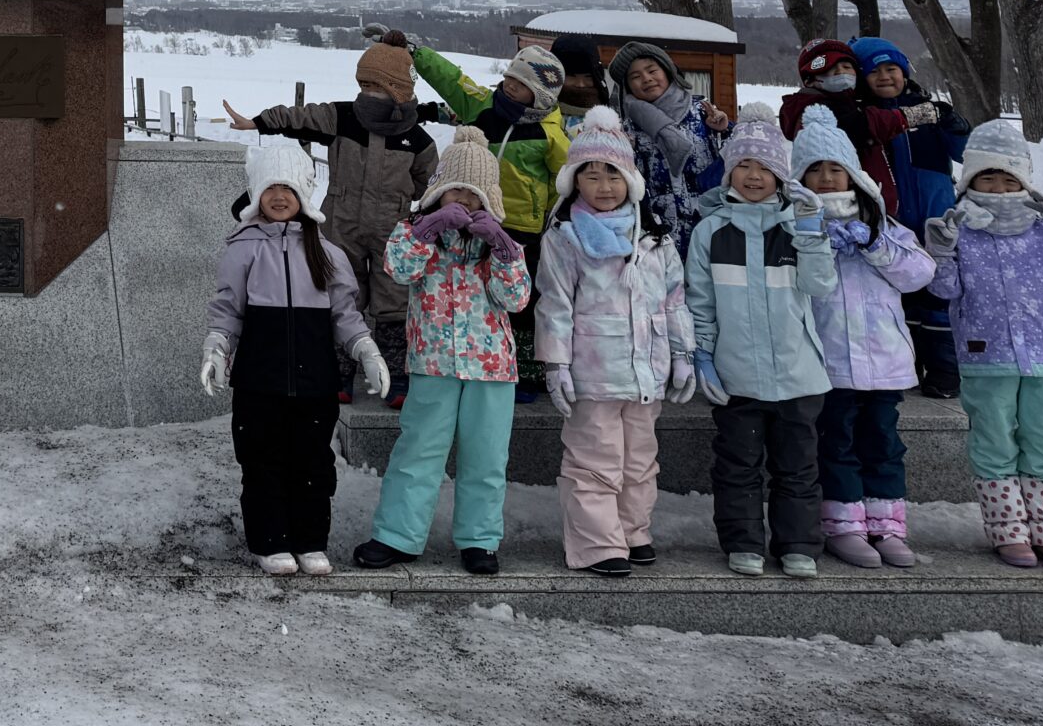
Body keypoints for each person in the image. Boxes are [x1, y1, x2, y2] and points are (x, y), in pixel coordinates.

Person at [926, 119, 1043, 571]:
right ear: (970, 179)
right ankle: (1008, 530)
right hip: (985, 355)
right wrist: (941, 250)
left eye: (1009, 177)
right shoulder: (962, 230)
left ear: (1025, 180)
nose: (999, 186)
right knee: (993, 439)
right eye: (987, 176)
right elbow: (943, 290)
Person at [222, 28, 440, 404]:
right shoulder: (342, 117)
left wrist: (416, 215)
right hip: (341, 224)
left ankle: (397, 380)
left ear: (398, 89)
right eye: (364, 83)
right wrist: (259, 122)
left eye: (377, 85)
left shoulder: (416, 138)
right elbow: (299, 117)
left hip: (393, 231)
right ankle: (338, 375)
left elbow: (429, 184)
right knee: (341, 297)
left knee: (394, 303)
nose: (368, 93)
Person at [202, 137, 389, 576]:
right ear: (256, 193)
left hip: (314, 381)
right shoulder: (243, 247)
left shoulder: (328, 253)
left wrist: (366, 350)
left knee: (312, 461)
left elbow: (345, 314)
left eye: (288, 188)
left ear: (305, 192)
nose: (280, 196)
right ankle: (270, 542)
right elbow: (228, 309)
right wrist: (216, 349)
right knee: (261, 459)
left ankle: (309, 540)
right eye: (270, 188)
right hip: (259, 380)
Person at [354, 129, 530, 575]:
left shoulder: (500, 245)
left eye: (474, 195)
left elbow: (517, 299)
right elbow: (398, 268)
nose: (464, 202)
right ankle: (397, 535)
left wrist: (503, 247)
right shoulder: (416, 234)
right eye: (456, 190)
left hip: (492, 369)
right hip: (433, 363)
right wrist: (428, 227)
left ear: (489, 199)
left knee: (487, 457)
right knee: (419, 450)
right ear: (438, 190)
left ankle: (479, 539)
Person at [534, 107, 694, 577]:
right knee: (594, 459)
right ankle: (597, 543)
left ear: (630, 180)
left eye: (613, 174)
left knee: (640, 460)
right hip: (593, 372)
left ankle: (631, 531)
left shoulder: (655, 237)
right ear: (574, 183)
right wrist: (556, 364)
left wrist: (683, 353)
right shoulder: (565, 238)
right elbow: (554, 304)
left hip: (647, 370)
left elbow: (674, 300)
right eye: (591, 175)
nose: (604, 186)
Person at [686, 109, 836, 577]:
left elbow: (820, 286)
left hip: (798, 374)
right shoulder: (711, 231)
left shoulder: (798, 226)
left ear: (781, 176)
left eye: (766, 168)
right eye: (745, 165)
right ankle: (743, 541)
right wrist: (704, 356)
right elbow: (700, 300)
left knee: (798, 467)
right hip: (737, 375)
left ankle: (798, 544)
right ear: (730, 171)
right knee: (737, 465)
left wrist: (811, 238)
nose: (754, 176)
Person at [791, 106, 934, 567]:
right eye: (816, 171)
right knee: (837, 443)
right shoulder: (795, 227)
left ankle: (888, 525)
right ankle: (844, 525)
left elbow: (919, 274)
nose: (828, 179)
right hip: (829, 363)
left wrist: (875, 246)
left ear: (854, 175)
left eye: (837, 169)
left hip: (884, 362)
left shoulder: (883, 225)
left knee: (883, 445)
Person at [413, 41, 568, 395]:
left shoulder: (550, 133)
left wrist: (552, 217)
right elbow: (451, 79)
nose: (510, 87)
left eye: (521, 85)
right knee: (478, 292)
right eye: (510, 79)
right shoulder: (483, 105)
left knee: (521, 300)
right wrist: (416, 52)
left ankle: (526, 368)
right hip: (475, 217)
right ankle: (471, 357)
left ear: (541, 95)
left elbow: (566, 180)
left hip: (522, 228)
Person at [852, 36, 969, 396]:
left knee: (938, 298)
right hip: (892, 223)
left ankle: (945, 370)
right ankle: (906, 366)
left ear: (905, 72)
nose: (886, 77)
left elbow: (964, 153)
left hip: (936, 220)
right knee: (901, 300)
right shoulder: (864, 118)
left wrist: (955, 125)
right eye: (876, 72)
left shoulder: (929, 111)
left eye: (893, 69)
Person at [780, 37, 932, 220]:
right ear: (812, 80)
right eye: (831, 70)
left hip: (875, 210)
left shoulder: (850, 103)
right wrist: (909, 116)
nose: (841, 74)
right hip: (842, 211)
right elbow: (860, 126)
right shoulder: (814, 109)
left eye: (847, 67)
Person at [606, 39, 729, 250]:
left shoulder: (702, 112)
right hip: (658, 234)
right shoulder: (628, 130)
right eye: (635, 77)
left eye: (652, 70)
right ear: (627, 87)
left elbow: (735, 161)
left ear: (668, 70)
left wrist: (723, 131)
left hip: (710, 225)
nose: (646, 79)